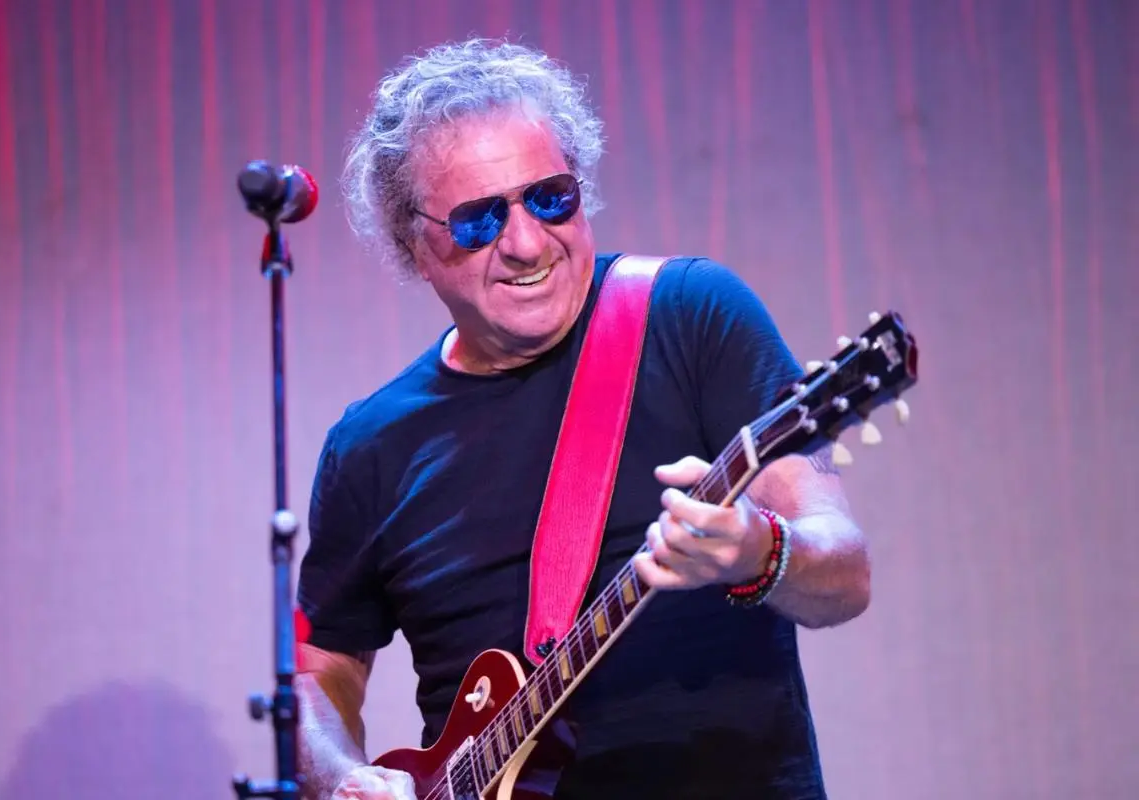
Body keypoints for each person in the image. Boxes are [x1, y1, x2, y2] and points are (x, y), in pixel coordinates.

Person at [295, 38, 870, 800]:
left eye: (550, 197)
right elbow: (319, 672)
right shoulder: (370, 446)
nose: (527, 242)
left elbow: (845, 570)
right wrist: (341, 780)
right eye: (477, 222)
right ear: (416, 247)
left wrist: (756, 551)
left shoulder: (688, 315)